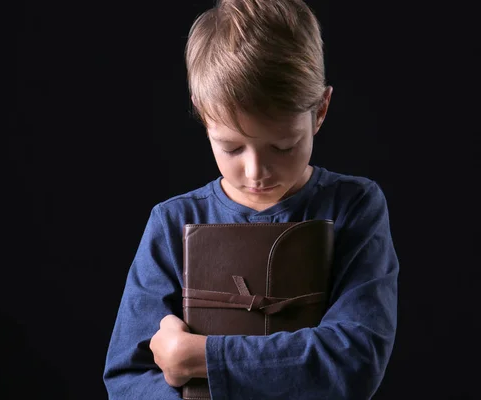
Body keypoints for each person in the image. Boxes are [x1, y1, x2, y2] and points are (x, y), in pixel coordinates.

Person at [103, 0, 399, 398]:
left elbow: (356, 359)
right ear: (203, 114)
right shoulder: (172, 222)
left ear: (320, 111)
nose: (256, 172)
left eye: (282, 146)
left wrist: (201, 357)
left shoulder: (355, 207)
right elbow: (127, 379)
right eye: (231, 147)